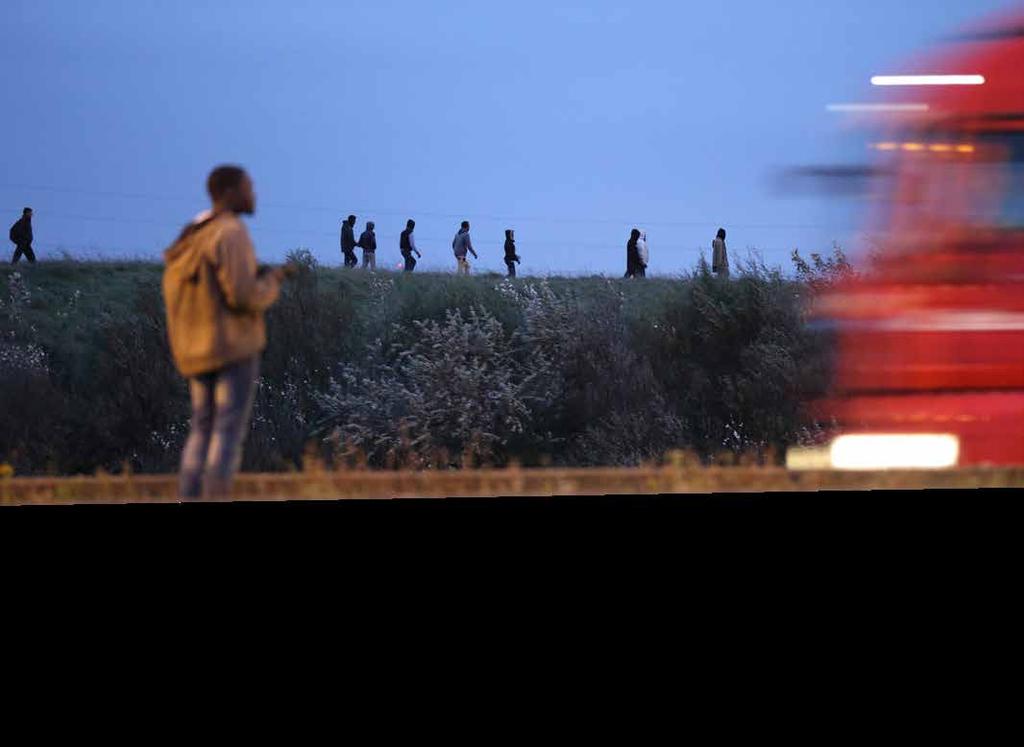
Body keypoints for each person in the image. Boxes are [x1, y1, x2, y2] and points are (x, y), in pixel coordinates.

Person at [162, 165, 293, 500]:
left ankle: (189, 497)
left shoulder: (193, 232)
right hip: (231, 348)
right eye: (250, 187)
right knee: (227, 434)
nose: (255, 194)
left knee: (201, 429)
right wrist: (272, 282)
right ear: (231, 192)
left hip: (195, 349)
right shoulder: (230, 231)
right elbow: (242, 295)